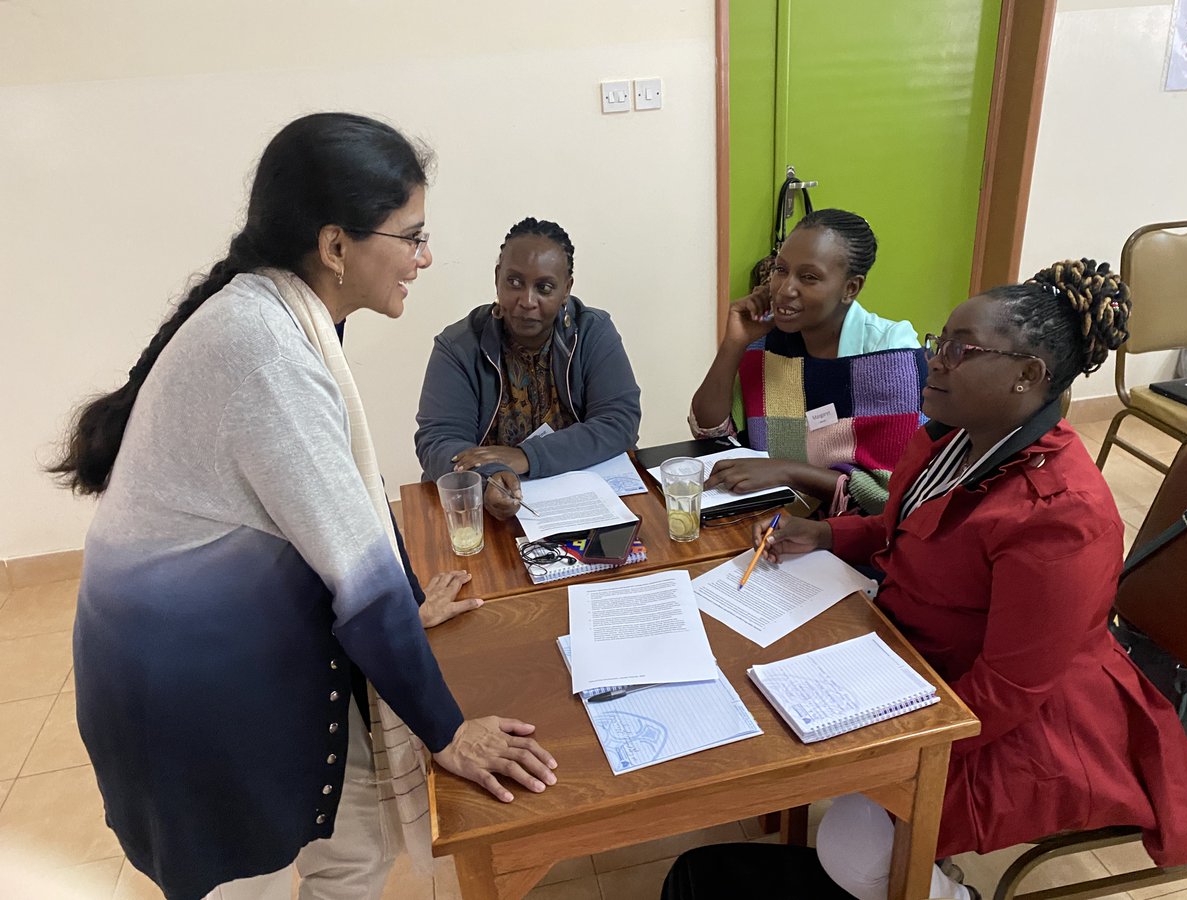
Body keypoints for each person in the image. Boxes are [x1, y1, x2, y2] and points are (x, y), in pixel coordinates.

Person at [50, 113, 557, 900]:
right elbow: (359, 577)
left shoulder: (285, 318)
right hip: (188, 688)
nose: (424, 258)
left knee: (355, 851)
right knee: (246, 880)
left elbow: (346, 497)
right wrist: (449, 731)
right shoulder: (263, 353)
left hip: (245, 642)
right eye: (412, 236)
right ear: (335, 247)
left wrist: (406, 602)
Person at [662, 259, 1187, 900]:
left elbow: (1009, 690)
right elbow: (902, 531)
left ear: (1029, 375)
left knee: (853, 849)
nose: (935, 362)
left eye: (961, 351)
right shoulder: (950, 440)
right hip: (922, 656)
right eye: (938, 342)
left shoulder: (1062, 517)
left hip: (1014, 715)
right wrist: (827, 534)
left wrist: (896, 750)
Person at [690, 209, 923, 514]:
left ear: (851, 288)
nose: (784, 289)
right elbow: (710, 432)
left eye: (809, 277)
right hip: (770, 515)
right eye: (781, 270)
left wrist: (787, 471)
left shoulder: (890, 351)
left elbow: (890, 493)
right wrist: (734, 343)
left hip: (855, 530)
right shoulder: (767, 340)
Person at [414, 217, 641, 519]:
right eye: (515, 282)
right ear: (498, 278)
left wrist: (526, 456)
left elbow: (619, 422)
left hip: (581, 503)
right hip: (487, 510)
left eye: (544, 287)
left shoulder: (592, 332)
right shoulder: (458, 346)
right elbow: (438, 441)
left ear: (566, 289)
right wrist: (488, 477)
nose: (527, 301)